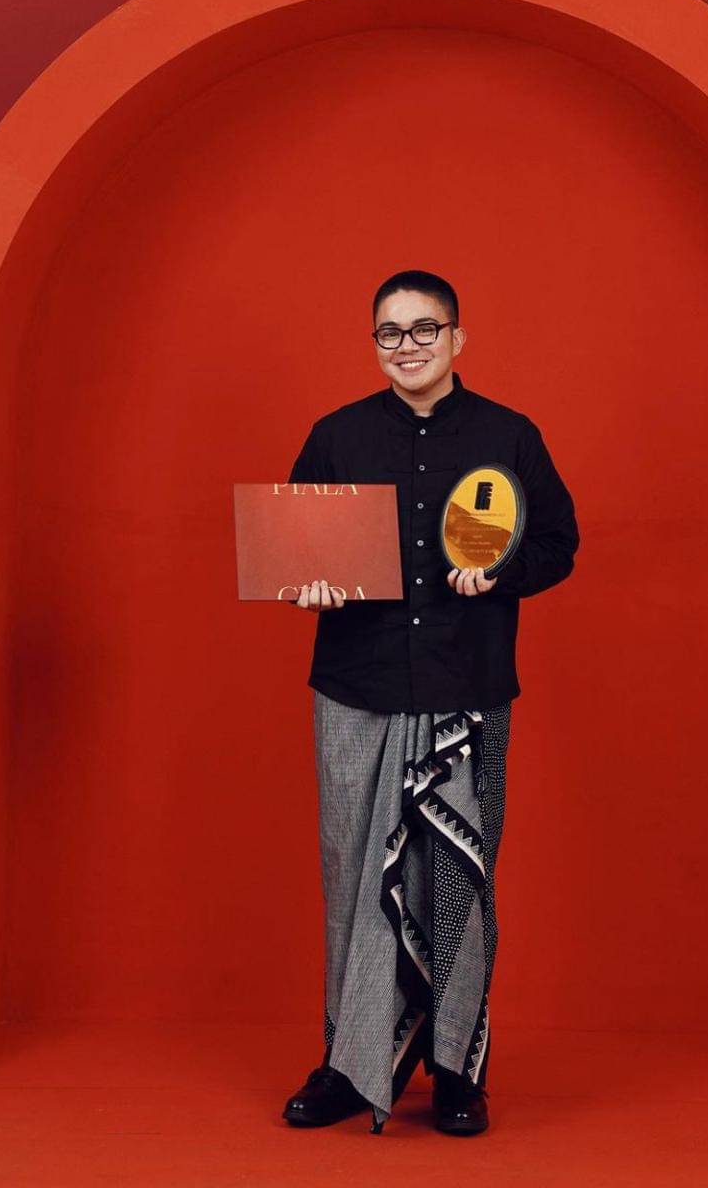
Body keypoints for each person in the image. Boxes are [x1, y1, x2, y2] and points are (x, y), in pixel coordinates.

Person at [280, 269, 580, 1135]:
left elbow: (558, 543)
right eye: (390, 332)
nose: (406, 346)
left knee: (459, 883)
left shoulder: (508, 436)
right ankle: (349, 1065)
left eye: (424, 329)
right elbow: (296, 547)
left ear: (457, 339)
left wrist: (502, 574)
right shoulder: (334, 437)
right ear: (373, 343)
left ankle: (455, 1071)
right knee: (352, 879)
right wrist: (309, 586)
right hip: (357, 688)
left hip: (466, 690)